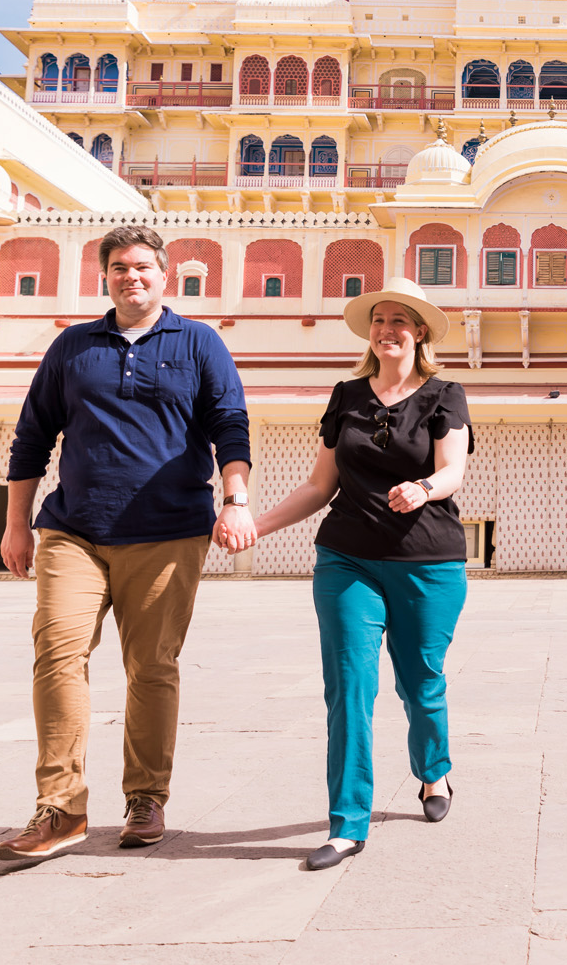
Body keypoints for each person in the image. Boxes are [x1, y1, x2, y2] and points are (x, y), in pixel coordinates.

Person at [0, 225, 254, 861]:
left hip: (167, 533)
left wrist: (236, 498)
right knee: (57, 655)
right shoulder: (74, 346)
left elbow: (230, 424)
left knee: (151, 668)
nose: (130, 277)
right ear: (103, 276)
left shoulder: (198, 342)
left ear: (165, 275)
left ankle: (145, 798)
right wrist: (15, 522)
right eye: (117, 268)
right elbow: (33, 435)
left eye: (142, 267)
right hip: (74, 530)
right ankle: (59, 808)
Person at [229, 276, 471, 871]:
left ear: (419, 332)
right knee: (348, 687)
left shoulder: (444, 394)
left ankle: (433, 772)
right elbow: (320, 485)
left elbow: (452, 471)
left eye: (400, 320)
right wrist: (257, 525)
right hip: (347, 559)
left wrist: (423, 489)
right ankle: (347, 825)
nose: (388, 329)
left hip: (427, 561)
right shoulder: (345, 396)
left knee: (420, 682)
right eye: (379, 319)